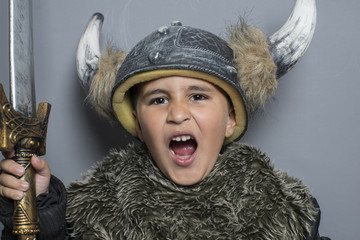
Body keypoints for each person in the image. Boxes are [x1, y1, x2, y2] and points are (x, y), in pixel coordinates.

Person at [0, 1, 330, 239]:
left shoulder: (285, 216)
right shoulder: (90, 216)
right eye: (158, 99)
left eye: (198, 96)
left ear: (230, 119)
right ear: (139, 125)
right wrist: (41, 210)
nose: (177, 113)